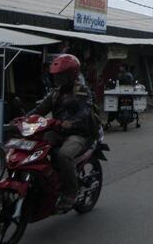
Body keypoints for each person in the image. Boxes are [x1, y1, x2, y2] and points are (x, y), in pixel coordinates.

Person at [30, 54, 96, 211]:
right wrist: (22, 120)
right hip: (57, 130)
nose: (58, 78)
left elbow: (85, 112)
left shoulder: (81, 90)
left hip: (78, 133)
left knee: (64, 155)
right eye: (56, 75)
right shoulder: (55, 92)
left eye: (61, 75)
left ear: (71, 75)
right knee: (34, 147)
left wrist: (71, 123)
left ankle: (70, 192)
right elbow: (39, 110)